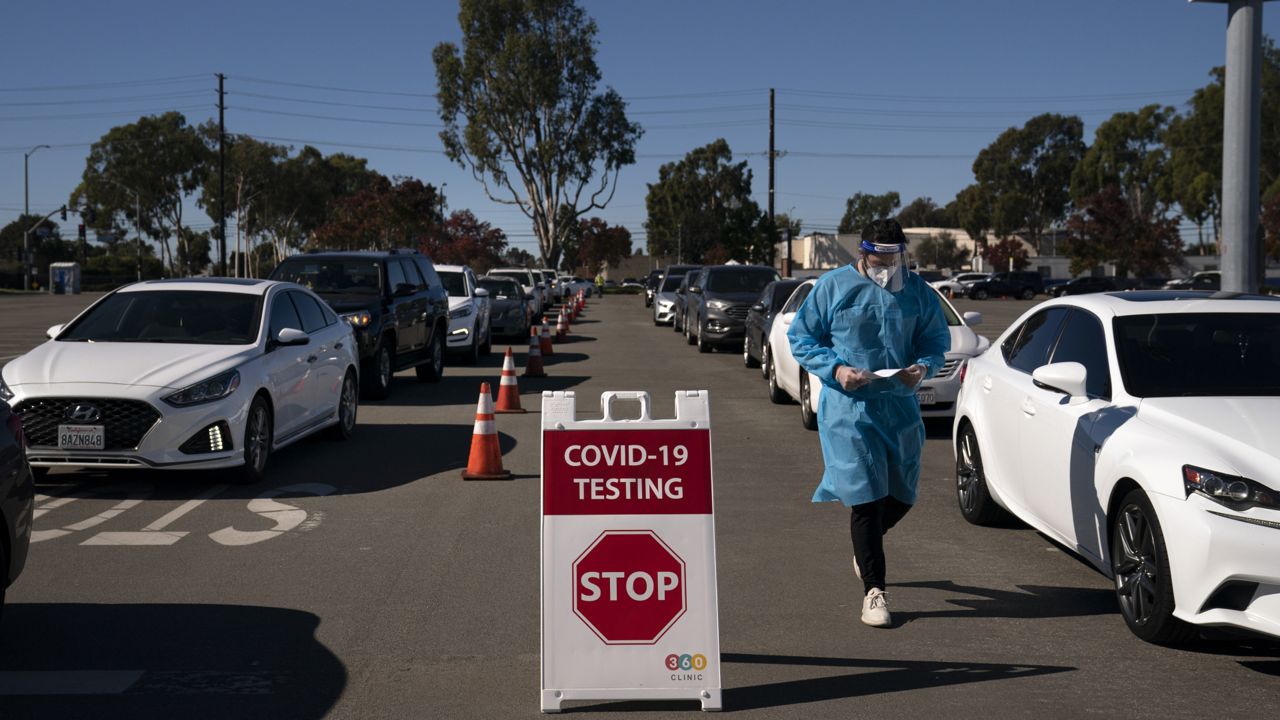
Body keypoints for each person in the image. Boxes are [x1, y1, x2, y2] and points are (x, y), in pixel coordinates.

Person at [787, 218, 950, 628]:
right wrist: (836, 369)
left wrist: (923, 367)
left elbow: (935, 341)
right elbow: (803, 338)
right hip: (850, 410)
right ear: (862, 252)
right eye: (880, 259)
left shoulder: (916, 292)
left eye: (895, 259)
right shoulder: (833, 287)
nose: (887, 267)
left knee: (902, 494)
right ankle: (874, 591)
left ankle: (867, 548)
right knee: (866, 497)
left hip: (898, 407)